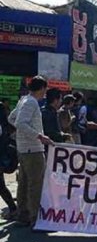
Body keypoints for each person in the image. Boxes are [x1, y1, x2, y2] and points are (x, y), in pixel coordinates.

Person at [8, 76, 53, 228]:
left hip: (23, 148)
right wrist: (38, 135)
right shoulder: (32, 102)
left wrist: (23, 133)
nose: (45, 92)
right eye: (45, 89)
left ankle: (23, 215)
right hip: (33, 149)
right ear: (41, 88)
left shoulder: (23, 100)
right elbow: (20, 122)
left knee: (24, 183)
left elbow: (12, 118)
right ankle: (35, 218)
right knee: (35, 184)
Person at [0, 102, 17, 220]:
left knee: (1, 186)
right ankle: (13, 209)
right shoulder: (6, 126)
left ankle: (13, 209)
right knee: (1, 186)